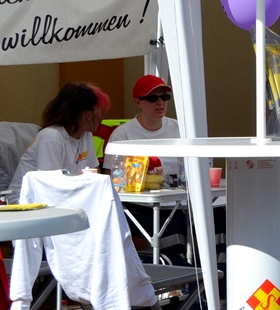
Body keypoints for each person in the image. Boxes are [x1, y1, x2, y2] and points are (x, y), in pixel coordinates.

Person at [105, 75, 191, 264]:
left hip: (180, 201)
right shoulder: (123, 134)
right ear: (138, 103)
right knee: (173, 222)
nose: (160, 103)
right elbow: (114, 179)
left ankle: (219, 281)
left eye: (165, 97)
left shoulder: (179, 128)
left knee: (217, 218)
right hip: (140, 206)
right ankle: (180, 283)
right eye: (153, 98)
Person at [11, 82, 108, 195]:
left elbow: (95, 174)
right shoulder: (51, 137)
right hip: (26, 202)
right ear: (89, 115)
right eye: (101, 112)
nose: (102, 118)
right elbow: (50, 186)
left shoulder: (86, 135)